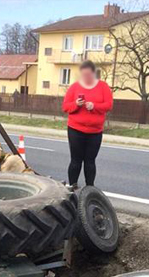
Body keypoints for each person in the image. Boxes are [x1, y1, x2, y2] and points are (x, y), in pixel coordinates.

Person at [62, 60, 113, 188]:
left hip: (95, 132)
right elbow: (65, 107)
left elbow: (108, 105)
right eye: (83, 75)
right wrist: (76, 104)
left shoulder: (103, 87)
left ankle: (90, 188)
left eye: (88, 74)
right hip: (75, 130)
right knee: (76, 160)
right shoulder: (74, 87)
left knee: (90, 161)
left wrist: (94, 106)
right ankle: (72, 187)